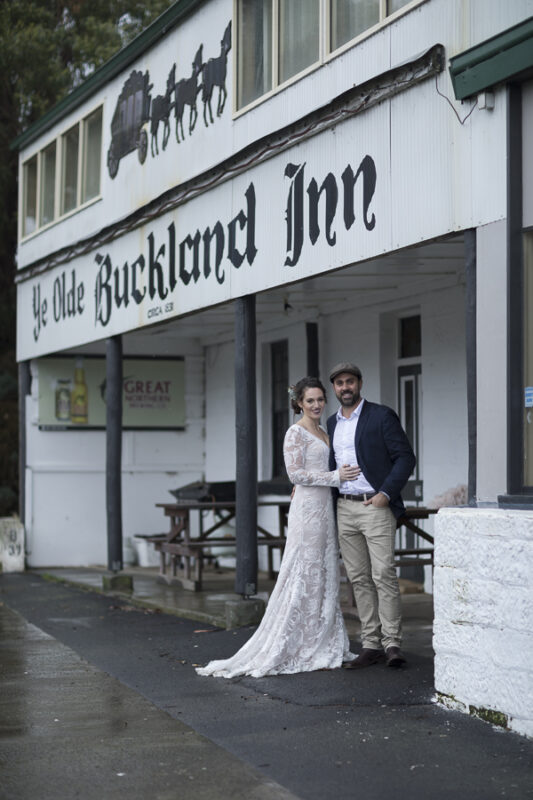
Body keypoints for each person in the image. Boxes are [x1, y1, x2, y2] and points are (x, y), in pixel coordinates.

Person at [196, 376, 359, 679]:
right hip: (307, 509)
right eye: (309, 400)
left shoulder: (324, 431)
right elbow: (296, 474)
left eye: (320, 400)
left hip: (325, 508)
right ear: (298, 403)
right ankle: (294, 642)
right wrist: (336, 477)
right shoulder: (294, 433)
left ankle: (321, 638)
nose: (316, 405)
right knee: (304, 569)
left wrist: (335, 479)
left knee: (324, 569)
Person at [326, 362, 416, 669]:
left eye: (350, 381)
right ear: (334, 388)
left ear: (359, 383)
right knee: (359, 579)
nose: (345, 387)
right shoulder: (332, 423)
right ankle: (371, 644)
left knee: (383, 575)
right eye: (339, 383)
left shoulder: (381, 415)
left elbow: (405, 457)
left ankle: (392, 643)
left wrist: (385, 494)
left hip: (374, 506)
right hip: (345, 508)